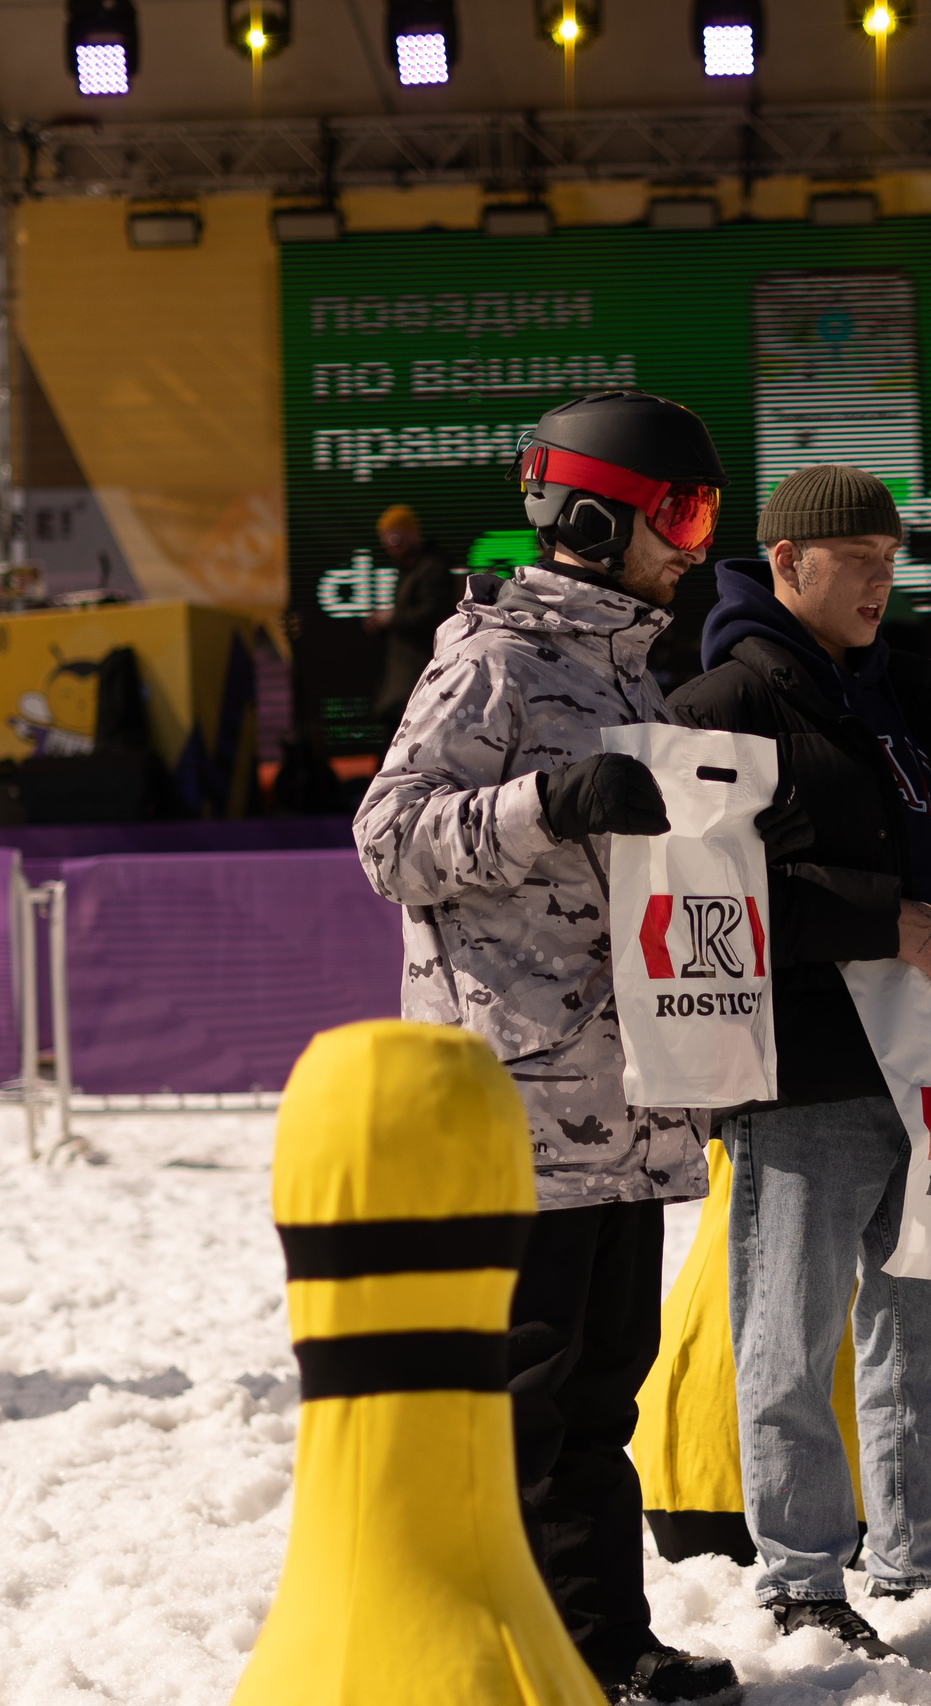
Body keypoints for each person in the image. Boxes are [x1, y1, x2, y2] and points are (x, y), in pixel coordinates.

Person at [352, 391, 739, 1704]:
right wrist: (543, 801)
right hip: (518, 1100)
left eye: (707, 514)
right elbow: (388, 842)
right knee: (523, 1396)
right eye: (679, 512)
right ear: (589, 516)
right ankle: (511, 1648)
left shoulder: (639, 668)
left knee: (600, 1395)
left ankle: (599, 1642)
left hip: (626, 1093)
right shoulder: (493, 659)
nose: (695, 541)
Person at [667, 466, 931, 1660]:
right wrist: (872, 919)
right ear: (787, 564)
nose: (880, 583)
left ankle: (915, 1566)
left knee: (928, 1335)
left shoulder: (898, 693)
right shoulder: (718, 701)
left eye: (892, 560)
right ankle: (797, 1577)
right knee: (788, 1335)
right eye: (858, 561)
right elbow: (698, 897)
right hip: (806, 1070)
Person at [368, 503, 461, 730]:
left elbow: (433, 615)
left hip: (420, 674)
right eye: (387, 541)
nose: (391, 547)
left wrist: (392, 619)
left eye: (395, 539)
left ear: (412, 534)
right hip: (405, 677)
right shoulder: (410, 570)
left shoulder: (432, 568)